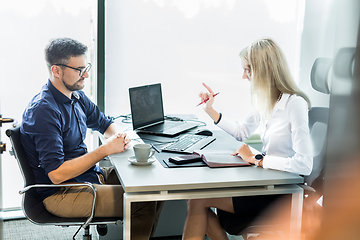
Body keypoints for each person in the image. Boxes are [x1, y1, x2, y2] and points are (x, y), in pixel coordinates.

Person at [20, 38, 162, 240]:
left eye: (86, 67)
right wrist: (105, 150)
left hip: (88, 176)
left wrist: (120, 137)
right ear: (56, 71)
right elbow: (57, 175)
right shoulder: (44, 111)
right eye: (79, 70)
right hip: (61, 192)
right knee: (142, 201)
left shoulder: (75, 95)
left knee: (154, 188)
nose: (86, 74)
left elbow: (104, 123)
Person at [182, 38, 313, 240]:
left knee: (197, 200)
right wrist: (210, 110)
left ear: (266, 67)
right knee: (195, 199)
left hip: (280, 193)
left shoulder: (295, 104)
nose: (244, 76)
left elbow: (304, 164)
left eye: (248, 70)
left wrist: (257, 159)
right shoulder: (266, 99)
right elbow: (241, 132)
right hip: (265, 183)